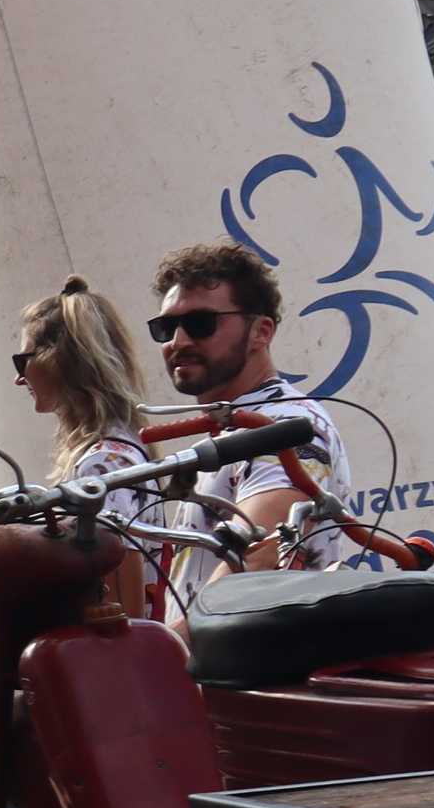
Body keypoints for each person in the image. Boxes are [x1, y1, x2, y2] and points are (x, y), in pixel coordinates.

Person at [148, 239, 357, 574]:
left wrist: (184, 620)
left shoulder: (282, 423)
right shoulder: (237, 427)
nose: (179, 341)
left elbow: (258, 560)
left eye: (201, 323)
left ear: (261, 331)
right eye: (166, 328)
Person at [14, 274, 168, 615]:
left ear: (58, 361)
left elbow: (117, 613)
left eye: (22, 361)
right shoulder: (117, 448)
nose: (18, 378)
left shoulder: (103, 464)